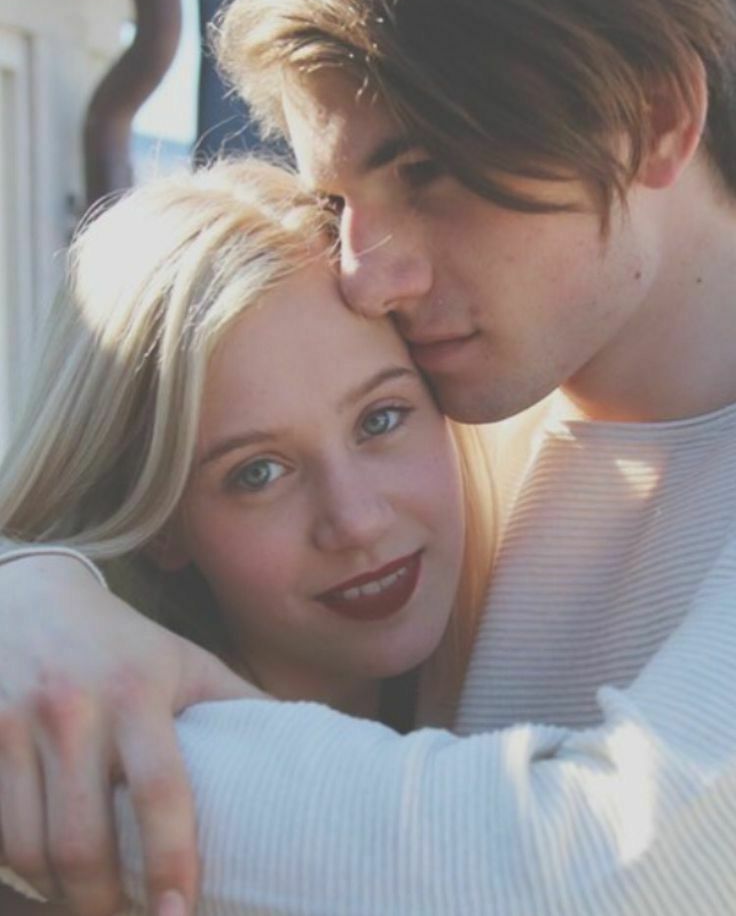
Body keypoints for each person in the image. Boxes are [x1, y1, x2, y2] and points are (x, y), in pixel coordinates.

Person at [2, 0, 736, 913]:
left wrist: (66, 743)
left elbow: (617, 871)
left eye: (425, 170)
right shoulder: (464, 417)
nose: (367, 274)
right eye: (340, 203)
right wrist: (39, 589)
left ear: (656, 117)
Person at [0, 157, 493, 913]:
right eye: (258, 472)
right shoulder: (86, 811)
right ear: (163, 525)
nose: (356, 521)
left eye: (381, 419)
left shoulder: (545, 651)